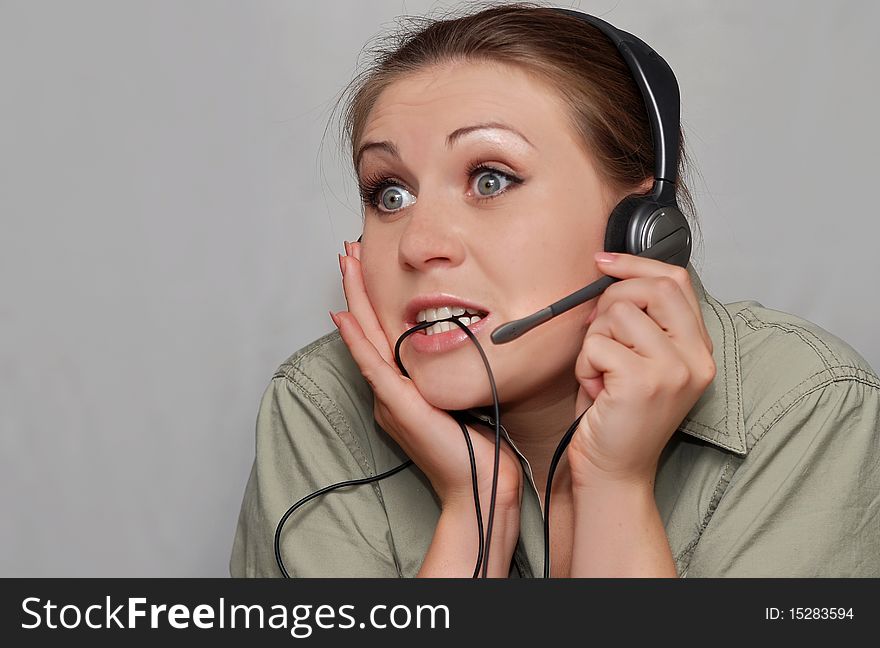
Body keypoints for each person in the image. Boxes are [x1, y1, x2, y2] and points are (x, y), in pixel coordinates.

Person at [230, 4, 880, 578]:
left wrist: (611, 488)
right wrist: (474, 516)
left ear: (640, 227)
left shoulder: (806, 408)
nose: (418, 243)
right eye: (389, 194)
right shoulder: (320, 406)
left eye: (490, 179)